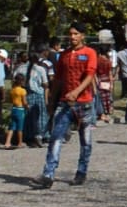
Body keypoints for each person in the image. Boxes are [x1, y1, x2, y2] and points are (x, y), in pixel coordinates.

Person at [36, 22, 97, 189]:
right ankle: (48, 174)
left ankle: (81, 171)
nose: (73, 37)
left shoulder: (90, 53)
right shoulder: (63, 55)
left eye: (76, 34)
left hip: (84, 103)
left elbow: (90, 76)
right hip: (65, 103)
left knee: (85, 140)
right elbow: (58, 80)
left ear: (82, 35)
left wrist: (77, 92)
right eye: (71, 34)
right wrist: (51, 101)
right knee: (56, 137)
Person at [22, 50, 50, 146]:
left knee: (28, 117)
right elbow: (45, 85)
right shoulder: (40, 69)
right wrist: (46, 99)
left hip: (26, 95)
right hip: (39, 95)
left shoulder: (21, 68)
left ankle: (29, 136)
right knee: (41, 116)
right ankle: (40, 135)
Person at [3, 73, 27, 149]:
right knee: (20, 127)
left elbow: (10, 100)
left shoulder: (12, 90)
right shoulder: (23, 91)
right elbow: (24, 102)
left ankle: (7, 142)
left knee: (12, 127)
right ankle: (20, 142)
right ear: (22, 81)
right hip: (20, 110)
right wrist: (27, 106)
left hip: (13, 109)